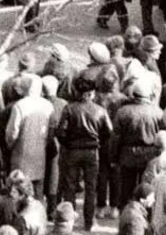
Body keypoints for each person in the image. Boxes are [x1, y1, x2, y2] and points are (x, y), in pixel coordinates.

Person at [56, 76, 113, 231]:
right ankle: (89, 221)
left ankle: (68, 219)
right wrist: (98, 142)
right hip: (92, 151)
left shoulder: (69, 109)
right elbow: (108, 131)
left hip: (73, 151)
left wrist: (68, 144)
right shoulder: (100, 110)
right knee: (91, 188)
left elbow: (60, 132)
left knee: (70, 186)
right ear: (91, 93)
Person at [5, 76, 54, 198]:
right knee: (38, 188)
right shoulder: (48, 105)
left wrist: (10, 145)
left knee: (19, 188)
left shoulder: (19, 105)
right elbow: (51, 130)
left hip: (21, 152)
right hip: (40, 152)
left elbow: (12, 132)